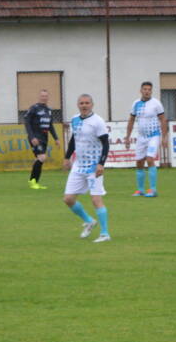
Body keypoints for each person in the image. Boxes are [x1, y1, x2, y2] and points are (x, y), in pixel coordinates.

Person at [63, 94, 111, 243]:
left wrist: (101, 163)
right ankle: (89, 221)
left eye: (87, 103)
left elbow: (105, 143)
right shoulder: (75, 119)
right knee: (68, 199)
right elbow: (73, 140)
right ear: (78, 105)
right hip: (78, 166)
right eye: (81, 103)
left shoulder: (98, 122)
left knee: (96, 199)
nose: (84, 105)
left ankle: (105, 234)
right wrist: (67, 157)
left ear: (92, 104)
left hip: (93, 167)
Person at [123, 82, 167, 198]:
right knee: (139, 162)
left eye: (149, 89)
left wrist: (164, 137)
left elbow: (163, 119)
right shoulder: (136, 104)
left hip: (154, 135)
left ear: (151, 91)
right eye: (145, 89)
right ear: (141, 91)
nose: (147, 91)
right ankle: (140, 190)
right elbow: (131, 120)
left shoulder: (156, 104)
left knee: (150, 158)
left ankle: (153, 190)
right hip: (141, 137)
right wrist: (127, 136)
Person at [23, 89, 59, 190]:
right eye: (42, 96)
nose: (44, 97)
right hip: (36, 138)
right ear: (39, 97)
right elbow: (27, 122)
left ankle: (35, 182)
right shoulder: (34, 108)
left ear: (48, 97)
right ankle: (32, 181)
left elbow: (50, 125)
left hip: (44, 138)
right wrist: (32, 137)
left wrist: (56, 138)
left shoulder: (48, 110)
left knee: (38, 159)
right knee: (42, 157)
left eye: (46, 96)